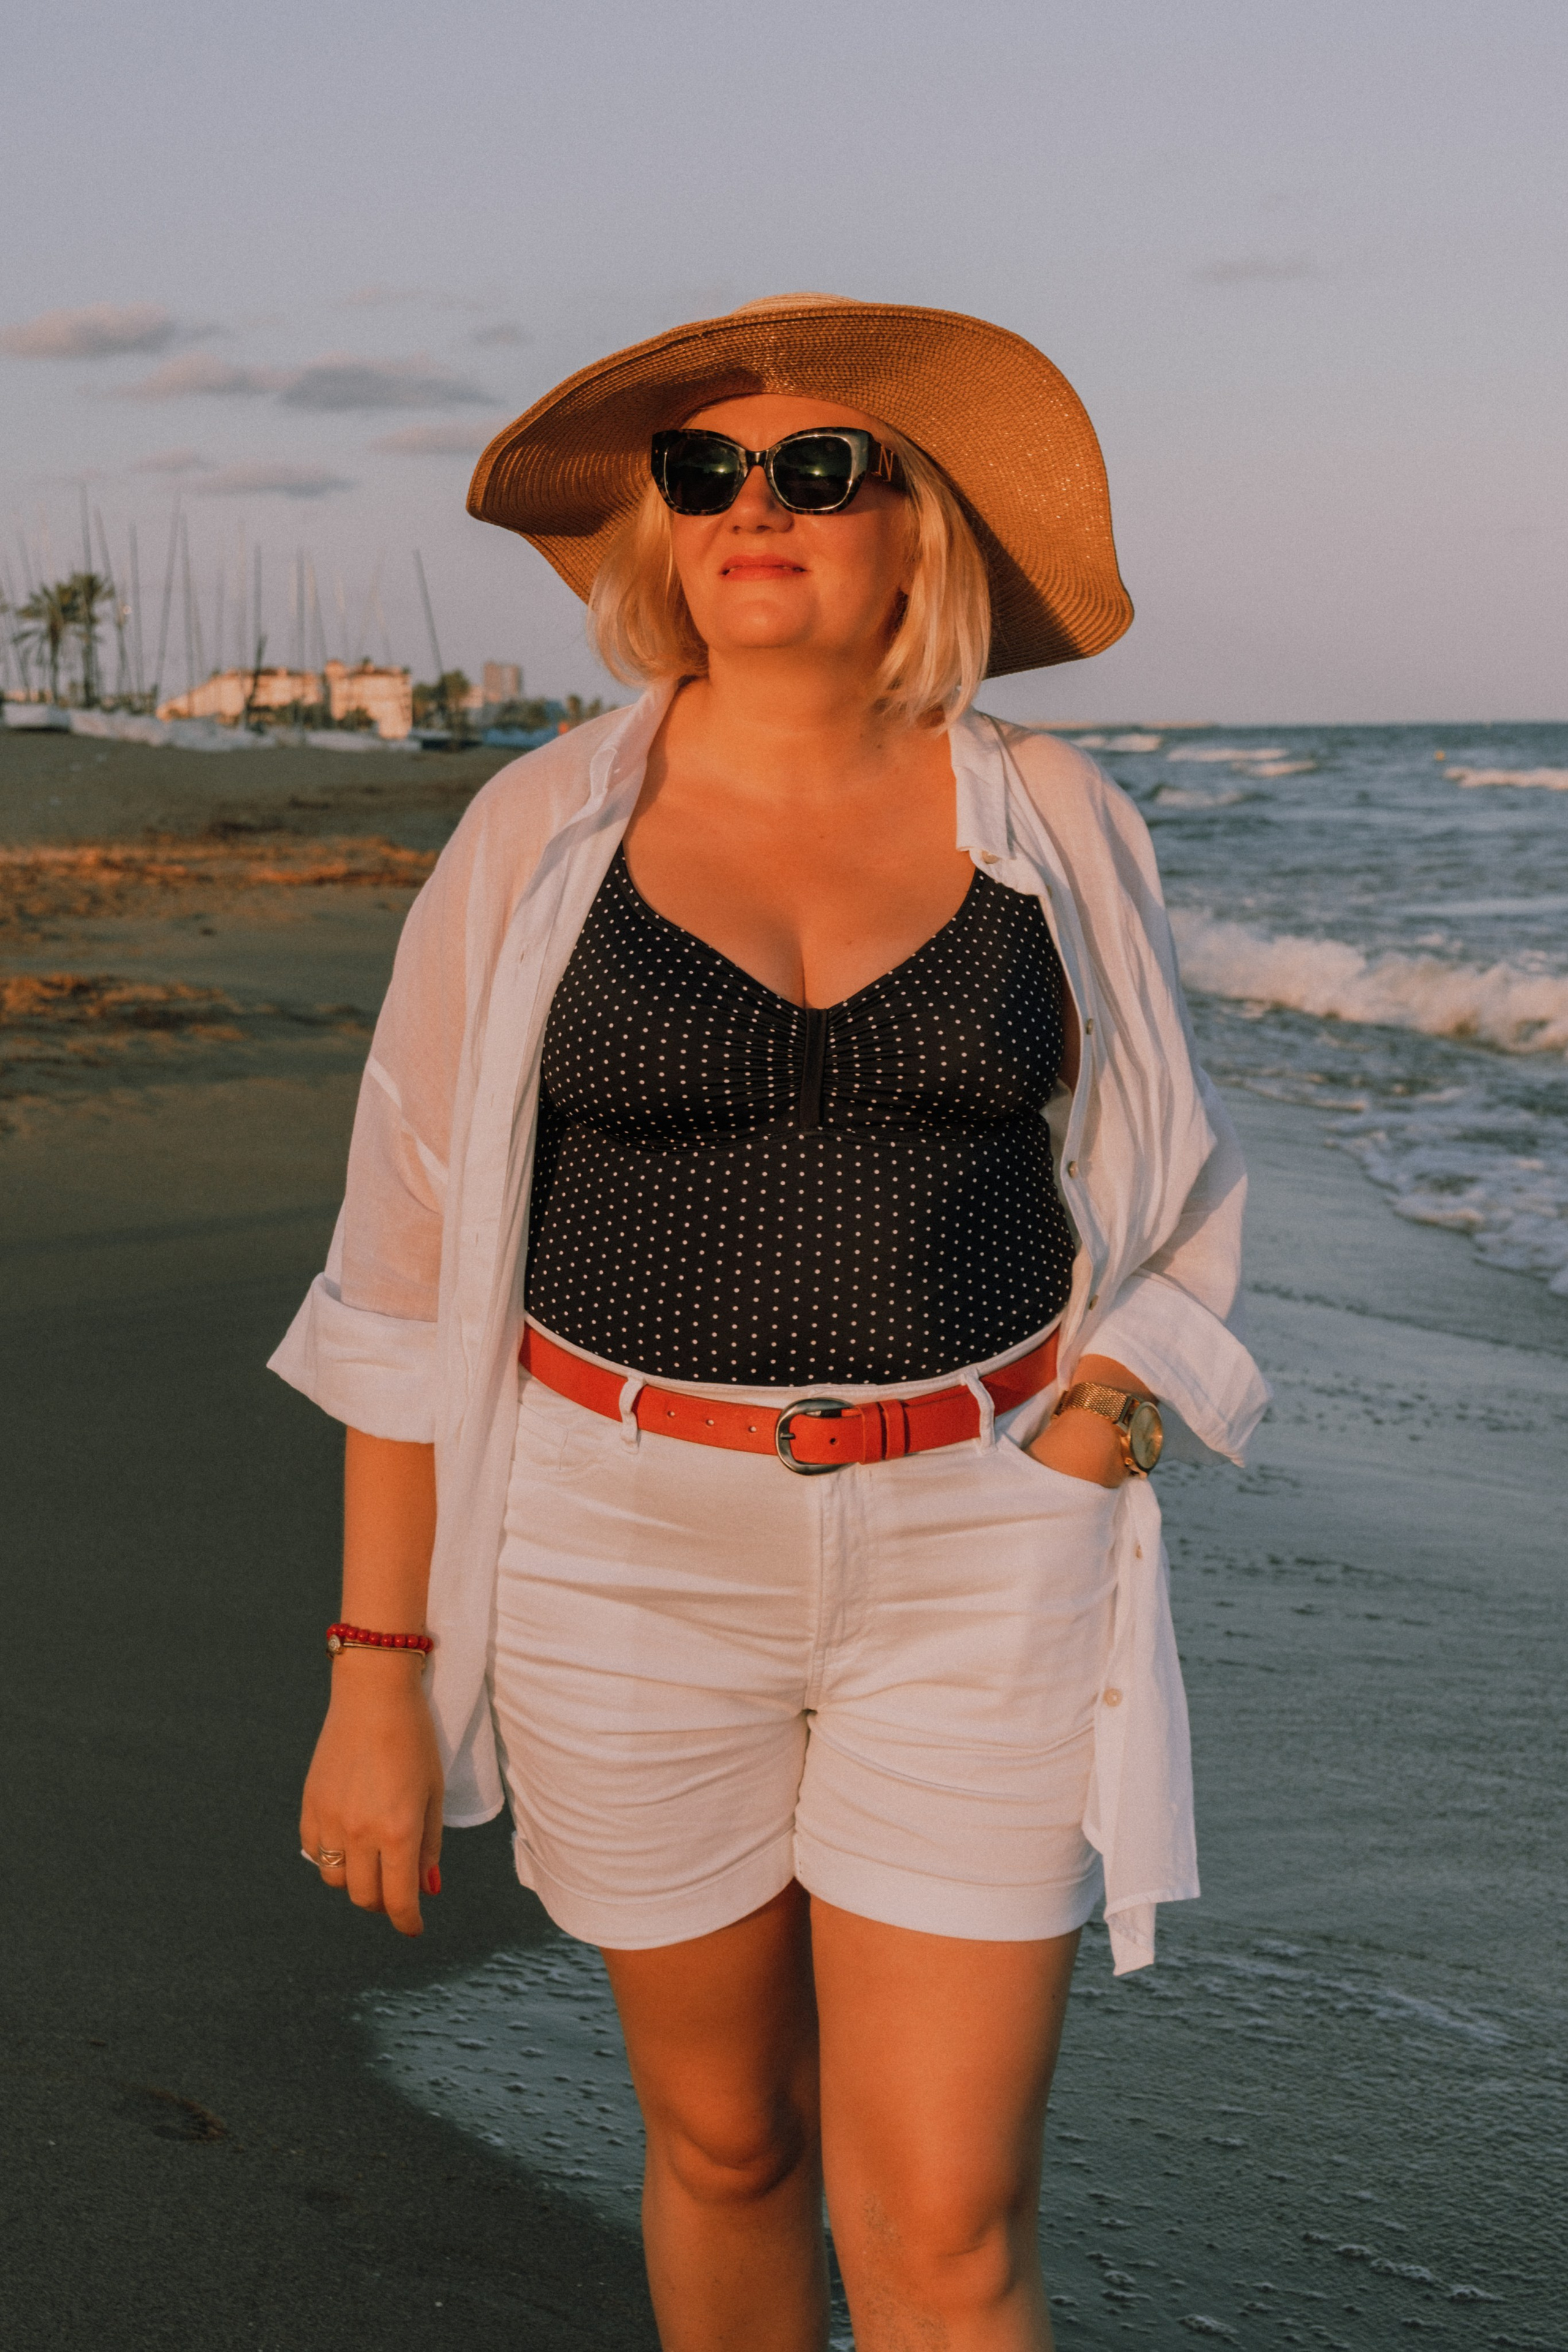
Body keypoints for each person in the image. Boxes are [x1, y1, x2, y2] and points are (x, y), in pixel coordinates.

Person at [273, 295, 1268, 2352]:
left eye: (825, 469)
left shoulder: (1058, 821)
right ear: (660, 533)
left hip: (984, 1556)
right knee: (726, 2145)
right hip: (616, 1549)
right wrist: (381, 1675)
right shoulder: (536, 831)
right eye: (707, 469)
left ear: (922, 537)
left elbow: (1183, 1183)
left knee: (952, 2223)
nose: (758, 504)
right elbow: (403, 1264)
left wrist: (1117, 1413)